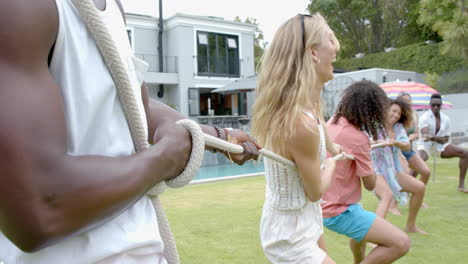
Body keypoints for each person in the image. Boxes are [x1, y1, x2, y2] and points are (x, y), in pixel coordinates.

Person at [0, 0, 260, 263]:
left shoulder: (112, 7)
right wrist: (164, 160)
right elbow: (40, 211)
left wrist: (217, 135)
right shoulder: (20, 7)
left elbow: (133, 104)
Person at [252, 13, 342, 264]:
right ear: (313, 52)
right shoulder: (299, 123)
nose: (335, 50)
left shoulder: (305, 106)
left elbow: (318, 117)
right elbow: (315, 191)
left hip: (305, 218)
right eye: (330, 40)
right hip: (289, 234)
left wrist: (333, 145)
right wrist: (333, 162)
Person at [322, 81, 410, 264]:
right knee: (401, 243)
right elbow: (370, 184)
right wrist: (366, 155)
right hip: (338, 210)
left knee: (359, 238)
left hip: (325, 203)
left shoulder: (332, 122)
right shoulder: (358, 137)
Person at [371, 99, 427, 234]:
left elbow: (406, 144)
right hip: (375, 169)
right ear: (386, 110)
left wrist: (394, 142)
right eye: (394, 111)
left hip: (392, 169)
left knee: (419, 187)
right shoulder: (374, 125)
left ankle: (410, 226)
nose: (396, 115)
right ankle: (374, 235)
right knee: (387, 196)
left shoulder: (398, 128)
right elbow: (365, 141)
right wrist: (377, 141)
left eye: (399, 114)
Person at [417, 93, 468, 193]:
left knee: (465, 154)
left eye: (438, 105)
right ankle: (407, 189)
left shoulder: (446, 119)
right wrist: (432, 137)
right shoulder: (424, 117)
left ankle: (461, 185)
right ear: (430, 105)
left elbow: (445, 139)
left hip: (440, 147)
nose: (435, 107)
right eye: (433, 105)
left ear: (441, 105)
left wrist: (432, 137)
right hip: (425, 146)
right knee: (418, 162)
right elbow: (425, 134)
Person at [396, 92, 431, 185]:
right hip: (397, 151)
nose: (408, 103)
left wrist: (414, 136)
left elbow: (417, 133)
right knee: (404, 178)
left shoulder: (414, 114)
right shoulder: (396, 116)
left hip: (409, 150)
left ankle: (416, 196)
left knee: (426, 172)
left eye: (409, 100)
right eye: (405, 101)